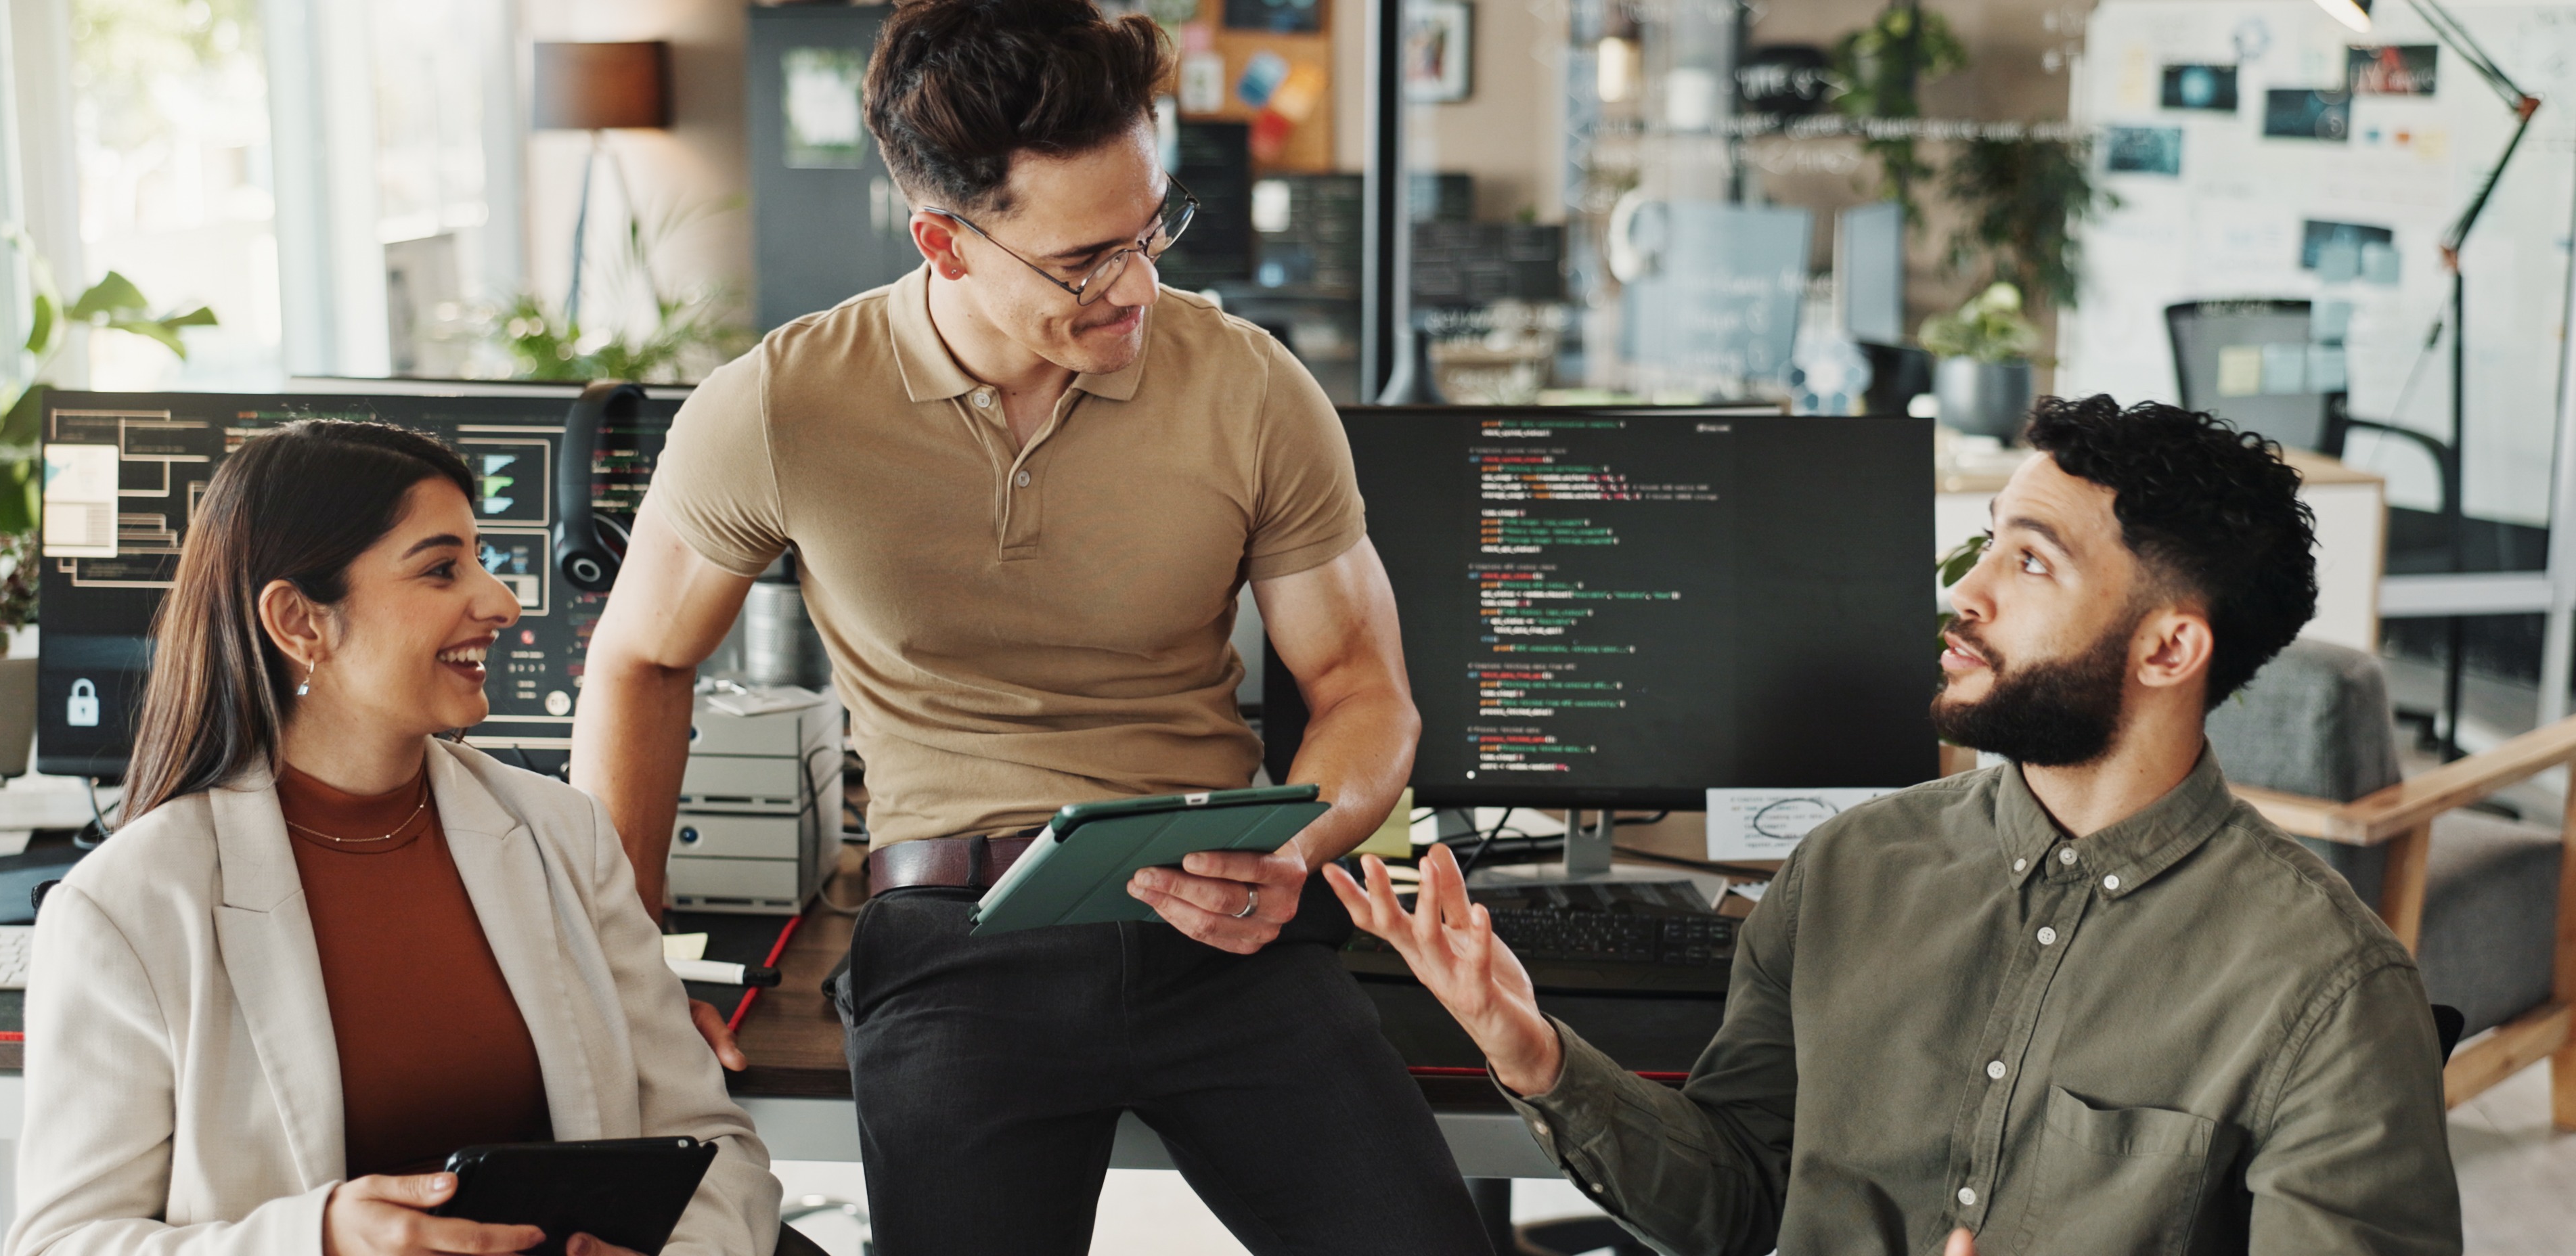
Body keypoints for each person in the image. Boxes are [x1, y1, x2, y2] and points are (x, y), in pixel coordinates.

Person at [570, 0, 1491, 1250]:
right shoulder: (780, 406)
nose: (1139, 284)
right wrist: (630, 977)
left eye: (1152, 229)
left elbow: (1361, 687)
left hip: (1215, 926)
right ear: (943, 244)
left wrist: (1296, 849)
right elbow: (639, 659)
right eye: (1084, 260)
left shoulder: (1250, 386)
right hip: (952, 939)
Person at [1328, 397, 2464, 1256]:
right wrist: (1534, 1053)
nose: (1967, 594)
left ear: (2169, 648)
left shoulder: (2327, 991)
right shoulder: (1846, 870)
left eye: (2033, 561)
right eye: (1991, 542)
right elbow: (1737, 1199)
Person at [9, 422, 782, 1256]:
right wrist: (318, 1240)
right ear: (299, 621)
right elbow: (62, 1243)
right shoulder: (127, 905)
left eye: (481, 560)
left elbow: (713, 1145)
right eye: (443, 568)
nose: (503, 602)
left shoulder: (563, 834)